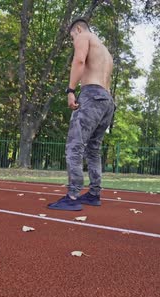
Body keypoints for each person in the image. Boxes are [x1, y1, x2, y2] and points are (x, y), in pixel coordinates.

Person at [48, 17, 115, 211]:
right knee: (93, 149)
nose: (72, 41)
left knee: (74, 145)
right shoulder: (106, 53)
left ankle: (73, 195)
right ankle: (94, 193)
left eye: (71, 37)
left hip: (92, 96)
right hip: (107, 101)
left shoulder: (83, 35)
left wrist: (70, 91)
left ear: (77, 29)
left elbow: (79, 60)